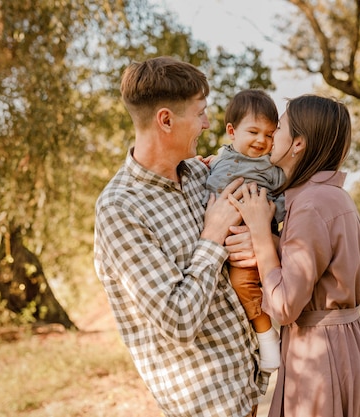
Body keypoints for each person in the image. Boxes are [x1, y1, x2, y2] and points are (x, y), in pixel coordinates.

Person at [93, 56, 269, 417]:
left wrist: (254, 241)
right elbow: (179, 320)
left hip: (247, 387)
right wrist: (214, 235)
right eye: (201, 112)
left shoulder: (200, 174)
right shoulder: (120, 209)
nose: (207, 124)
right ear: (166, 120)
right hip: (207, 405)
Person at [230, 94, 360, 416]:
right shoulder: (330, 197)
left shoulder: (311, 203)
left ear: (298, 143)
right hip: (344, 346)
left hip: (320, 356)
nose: (270, 138)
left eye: (279, 129)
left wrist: (259, 233)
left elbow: (284, 306)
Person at [204, 89, 284, 373]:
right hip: (216, 244)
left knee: (242, 285)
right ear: (231, 131)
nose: (262, 140)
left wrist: (273, 213)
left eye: (269, 134)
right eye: (253, 131)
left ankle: (267, 336)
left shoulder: (270, 167)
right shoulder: (218, 158)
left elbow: (285, 198)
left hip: (247, 243)